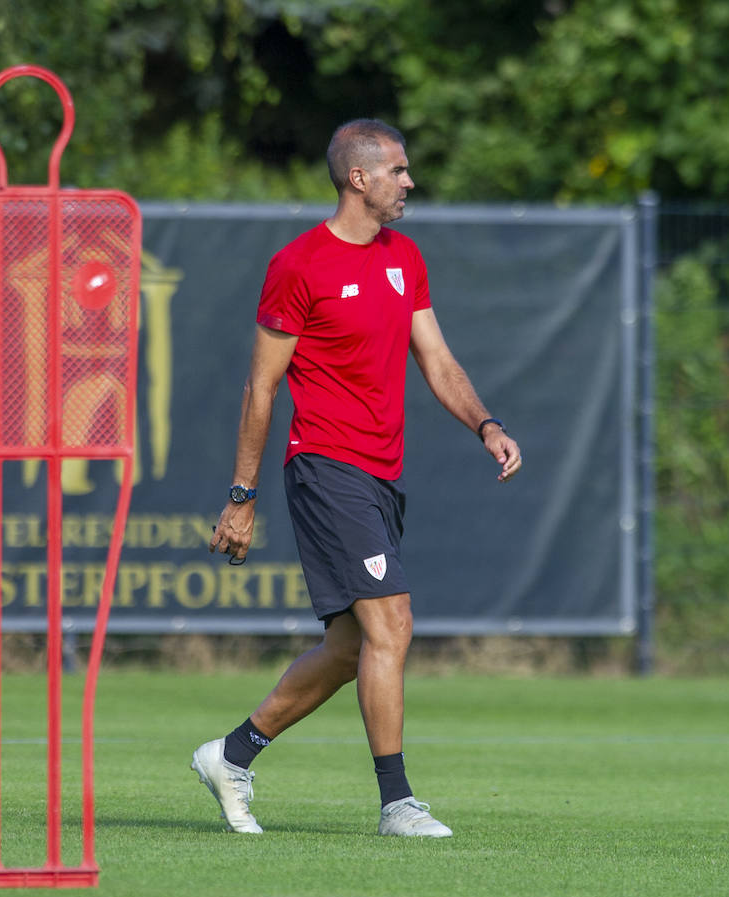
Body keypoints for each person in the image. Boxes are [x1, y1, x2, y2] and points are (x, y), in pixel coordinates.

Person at [195, 118, 522, 838]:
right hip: (325, 468)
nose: (409, 182)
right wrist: (241, 498)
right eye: (398, 171)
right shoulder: (299, 265)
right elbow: (260, 389)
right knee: (393, 623)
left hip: (381, 476)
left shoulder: (405, 256)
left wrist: (487, 425)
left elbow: (436, 361)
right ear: (359, 179)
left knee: (352, 647)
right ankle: (397, 803)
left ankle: (231, 755)